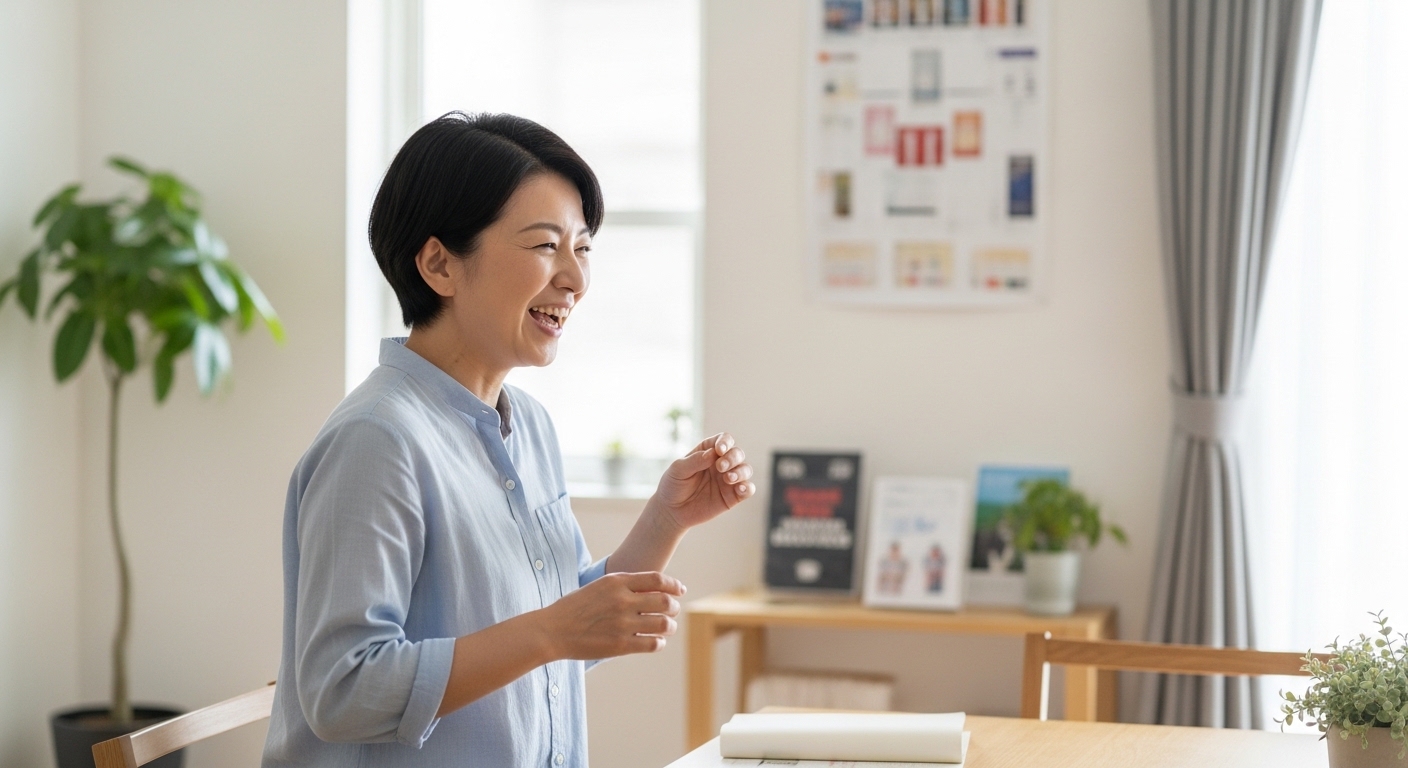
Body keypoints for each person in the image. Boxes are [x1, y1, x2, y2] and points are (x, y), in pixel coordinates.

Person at [262, 113, 755, 767]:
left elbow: (550, 654)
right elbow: (343, 691)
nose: (575, 280)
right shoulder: (376, 443)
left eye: (582, 248)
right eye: (545, 246)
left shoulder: (531, 428)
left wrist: (667, 519)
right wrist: (552, 632)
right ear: (439, 263)